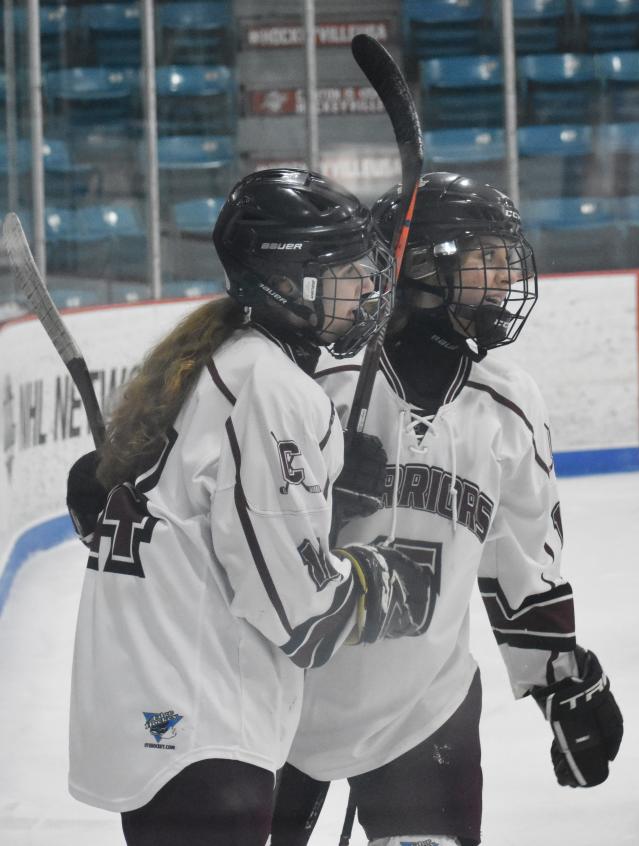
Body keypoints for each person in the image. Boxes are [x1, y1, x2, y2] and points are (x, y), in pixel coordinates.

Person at [64, 168, 437, 846]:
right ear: (288, 282)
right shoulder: (266, 387)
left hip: (157, 720)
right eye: (348, 271)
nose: (370, 288)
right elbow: (301, 614)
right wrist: (383, 582)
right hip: (202, 737)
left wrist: (324, 500)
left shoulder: (218, 365)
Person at [270, 172, 624, 846]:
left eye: (504, 259)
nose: (503, 278)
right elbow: (248, 534)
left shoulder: (510, 400)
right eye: (484, 258)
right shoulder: (319, 385)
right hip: (284, 705)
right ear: (424, 265)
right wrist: (322, 508)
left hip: (425, 710)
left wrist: (560, 677)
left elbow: (521, 557)